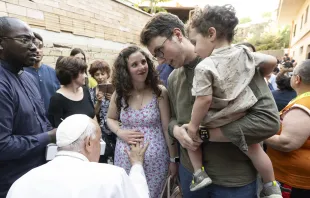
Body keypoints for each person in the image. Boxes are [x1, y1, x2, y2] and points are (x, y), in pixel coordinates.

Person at [140, 10, 280, 198]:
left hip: (234, 182)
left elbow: (268, 122)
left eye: (159, 51)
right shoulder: (173, 78)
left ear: (177, 35)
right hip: (191, 175)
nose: (160, 60)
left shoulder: (235, 63)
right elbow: (173, 118)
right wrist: (177, 131)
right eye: (155, 56)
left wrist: (203, 134)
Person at [184, 5, 281, 197]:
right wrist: (262, 75)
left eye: (195, 42)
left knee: (190, 134)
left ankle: (199, 173)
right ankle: (272, 187)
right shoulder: (244, 53)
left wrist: (194, 126)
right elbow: (271, 61)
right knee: (254, 148)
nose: (194, 49)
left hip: (219, 117)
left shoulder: (205, 66)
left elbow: (203, 100)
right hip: (244, 112)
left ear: (211, 33)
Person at [6, 114, 150, 198]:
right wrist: (137, 165)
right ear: (88, 143)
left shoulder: (21, 183)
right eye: (99, 140)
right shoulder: (113, 176)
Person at [107, 46, 178, 198]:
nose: (141, 67)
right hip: (125, 158)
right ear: (125, 70)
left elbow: (167, 128)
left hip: (156, 161)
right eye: (134, 65)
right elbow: (110, 118)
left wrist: (173, 159)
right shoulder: (119, 94)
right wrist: (120, 132)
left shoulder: (159, 92)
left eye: (143, 62)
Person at [0, 17, 56, 198]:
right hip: (12, 184)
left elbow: (41, 119)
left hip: (38, 176)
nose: (34, 46)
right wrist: (49, 136)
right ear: (1, 44)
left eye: (33, 40)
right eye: (25, 40)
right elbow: (2, 145)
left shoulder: (28, 78)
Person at [266, 60, 310, 198]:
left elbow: (287, 143)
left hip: (296, 180)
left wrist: (257, 134)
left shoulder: (303, 105)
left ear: (297, 79)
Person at [48, 57, 95, 128]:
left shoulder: (85, 90)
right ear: (72, 75)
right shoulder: (57, 99)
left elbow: (93, 116)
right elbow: (57, 129)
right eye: (82, 72)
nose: (85, 76)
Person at [24, 32, 60, 113]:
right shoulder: (21, 73)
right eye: (33, 46)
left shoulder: (53, 72)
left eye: (40, 46)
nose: (37, 50)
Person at [88, 60, 116, 163]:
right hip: (100, 129)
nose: (100, 77)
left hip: (114, 129)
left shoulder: (115, 90)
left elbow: (122, 111)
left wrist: (113, 100)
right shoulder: (91, 91)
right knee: (102, 157)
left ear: (108, 74)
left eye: (103, 74)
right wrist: (99, 102)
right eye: (97, 74)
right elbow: (92, 113)